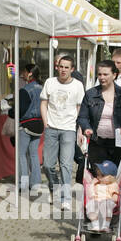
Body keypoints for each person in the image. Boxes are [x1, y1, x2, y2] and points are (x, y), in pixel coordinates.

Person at [41, 54, 85, 212]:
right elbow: (44, 103)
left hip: (68, 129)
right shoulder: (50, 82)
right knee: (47, 164)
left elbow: (80, 108)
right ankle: (55, 189)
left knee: (66, 165)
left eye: (67, 67)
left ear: (72, 69)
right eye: (61, 66)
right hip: (52, 128)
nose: (63, 70)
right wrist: (46, 123)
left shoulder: (78, 85)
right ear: (57, 67)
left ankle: (66, 198)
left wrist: (78, 128)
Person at [77, 60, 121, 171]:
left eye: (105, 74)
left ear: (114, 75)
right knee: (99, 174)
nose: (102, 77)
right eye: (99, 74)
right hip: (96, 141)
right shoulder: (90, 94)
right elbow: (82, 117)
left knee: (112, 176)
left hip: (116, 142)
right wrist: (86, 128)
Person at [16, 63, 44, 199]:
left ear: (30, 73)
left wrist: (10, 110)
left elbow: (20, 109)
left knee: (21, 154)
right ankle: (36, 183)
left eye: (24, 72)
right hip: (39, 124)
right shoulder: (42, 88)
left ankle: (23, 183)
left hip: (27, 124)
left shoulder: (25, 89)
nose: (22, 74)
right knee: (33, 154)